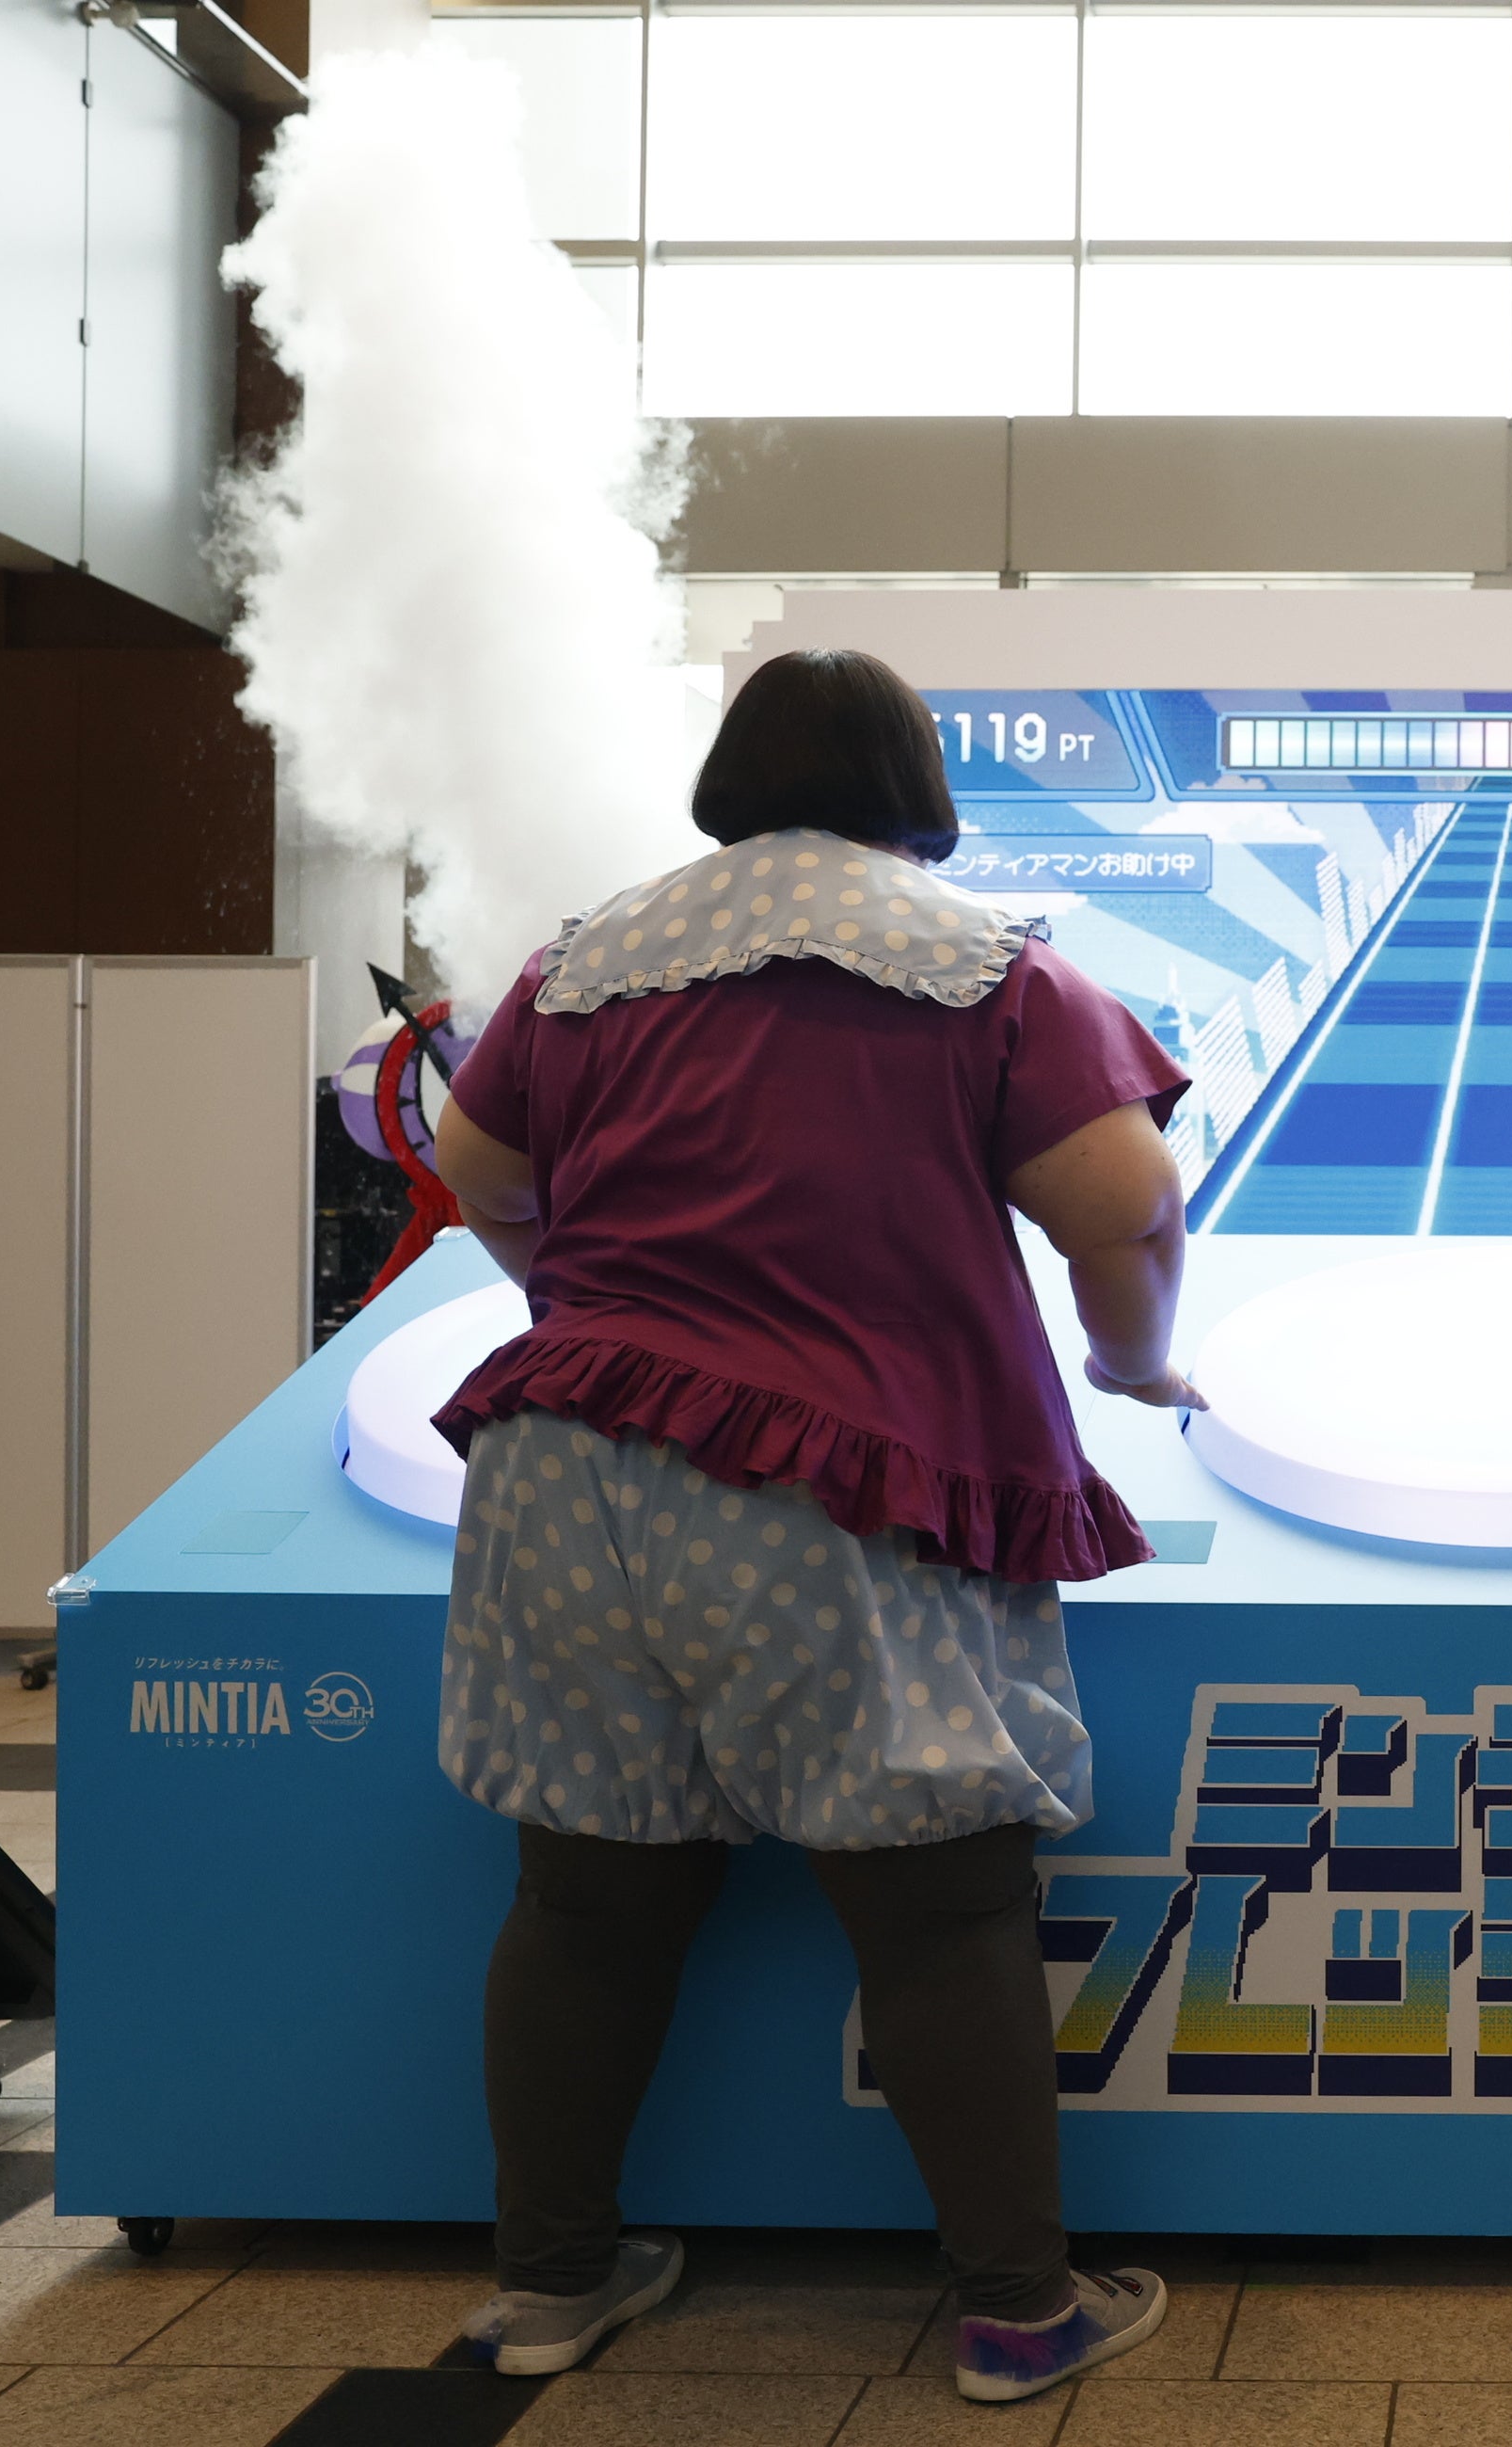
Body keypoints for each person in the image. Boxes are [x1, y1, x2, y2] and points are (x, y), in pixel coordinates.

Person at [424, 648, 1202, 2399]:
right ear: (919, 784)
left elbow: (480, 1173)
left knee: (584, 1900)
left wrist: (586, 1305)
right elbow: (1127, 1205)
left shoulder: (586, 959)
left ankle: (549, 2290)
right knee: (936, 1908)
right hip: (828, 1485)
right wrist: (1133, 1364)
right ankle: (1018, 2311)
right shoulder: (981, 964)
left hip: (562, 1468)